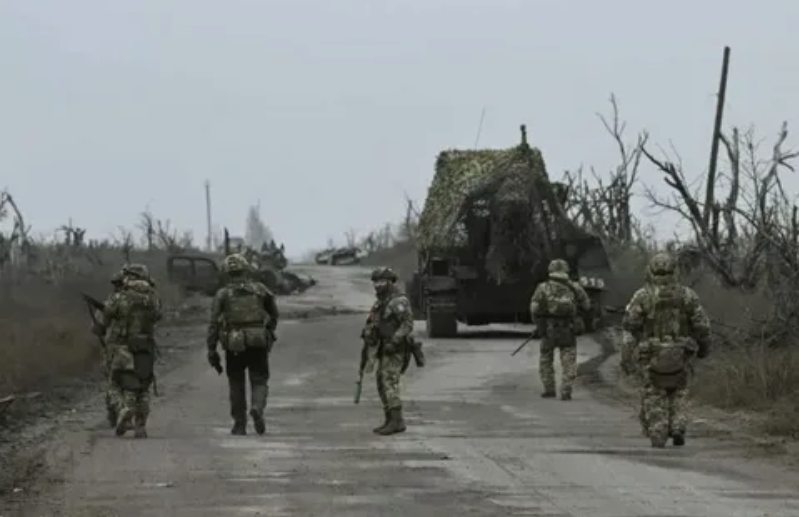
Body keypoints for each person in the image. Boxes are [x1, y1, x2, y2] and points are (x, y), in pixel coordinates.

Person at [621, 252, 711, 448]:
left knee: (654, 392)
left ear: (650, 271)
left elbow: (631, 326)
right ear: (674, 271)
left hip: (651, 353)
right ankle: (678, 424)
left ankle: (658, 431)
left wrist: (626, 356)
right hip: (682, 353)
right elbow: (702, 325)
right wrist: (704, 347)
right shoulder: (687, 295)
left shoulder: (642, 295)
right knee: (680, 391)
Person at [206, 253, 279, 436]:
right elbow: (274, 312)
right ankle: (257, 407)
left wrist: (211, 348)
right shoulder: (260, 289)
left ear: (226, 272)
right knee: (259, 379)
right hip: (258, 340)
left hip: (234, 342)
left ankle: (239, 425)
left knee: (236, 383)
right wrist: (269, 330)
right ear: (246, 270)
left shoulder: (223, 294)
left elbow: (213, 323)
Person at [93, 263, 162, 438]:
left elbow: (102, 321)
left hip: (121, 348)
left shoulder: (119, 297)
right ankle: (141, 426)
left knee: (115, 383)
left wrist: (99, 326)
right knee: (143, 387)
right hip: (146, 348)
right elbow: (157, 317)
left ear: (129, 276)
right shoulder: (153, 298)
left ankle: (123, 409)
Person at [361, 267, 415, 435]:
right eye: (376, 282)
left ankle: (397, 421)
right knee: (381, 382)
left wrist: (395, 340)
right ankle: (390, 419)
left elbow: (407, 324)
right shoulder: (381, 302)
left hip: (395, 349)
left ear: (390, 282)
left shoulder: (398, 301)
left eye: (382, 282)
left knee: (389, 382)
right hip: (383, 347)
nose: (378, 285)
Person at [529, 259, 591, 401]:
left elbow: (534, 309)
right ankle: (566, 391)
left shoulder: (543, 287)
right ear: (566, 270)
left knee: (546, 359)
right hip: (568, 329)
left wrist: (539, 324)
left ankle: (549, 389)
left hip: (548, 329)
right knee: (569, 361)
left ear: (550, 271)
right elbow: (587, 306)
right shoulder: (575, 287)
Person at [102, 270, 126, 428]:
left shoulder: (113, 299)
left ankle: (115, 411)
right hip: (139, 345)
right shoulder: (144, 298)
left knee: (112, 380)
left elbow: (101, 324)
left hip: (115, 345)